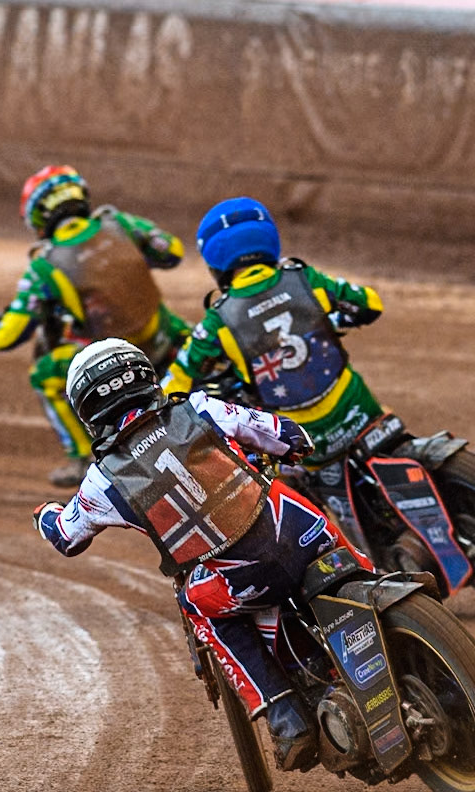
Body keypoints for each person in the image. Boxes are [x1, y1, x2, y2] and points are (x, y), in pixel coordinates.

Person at [31, 338, 373, 771]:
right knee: (301, 508)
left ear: (88, 410)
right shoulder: (199, 409)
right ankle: (382, 587)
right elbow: (290, 437)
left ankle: (286, 716)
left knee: (196, 603)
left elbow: (67, 538)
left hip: (245, 579)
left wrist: (44, 514)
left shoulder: (102, 480)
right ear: (144, 376)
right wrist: (291, 448)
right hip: (302, 533)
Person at [159, 197, 385, 542]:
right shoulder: (303, 278)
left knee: (265, 493)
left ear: (215, 262)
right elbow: (371, 304)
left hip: (306, 441)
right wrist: (332, 318)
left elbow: (175, 383)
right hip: (358, 412)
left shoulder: (218, 319)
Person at [0, 165, 192, 486]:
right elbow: (172, 252)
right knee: (200, 337)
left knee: (44, 374)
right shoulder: (120, 223)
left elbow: (9, 334)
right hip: (165, 339)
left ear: (38, 216)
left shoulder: (44, 267)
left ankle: (83, 458)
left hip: (115, 362)